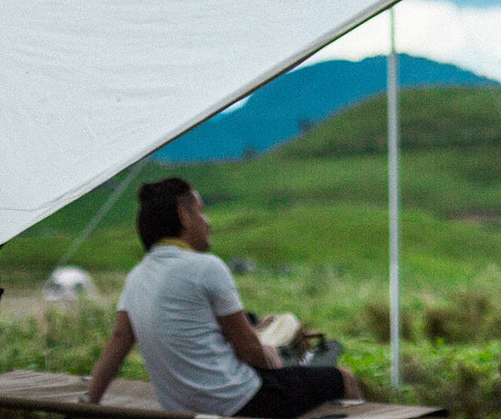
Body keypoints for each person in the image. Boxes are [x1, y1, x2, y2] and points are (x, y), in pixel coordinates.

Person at [86, 178, 362, 418]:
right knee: (343, 378)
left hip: (178, 406)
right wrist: (270, 360)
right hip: (238, 401)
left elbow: (118, 342)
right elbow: (250, 351)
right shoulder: (206, 267)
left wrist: (90, 402)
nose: (207, 222)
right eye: (201, 212)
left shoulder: (136, 277)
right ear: (183, 216)